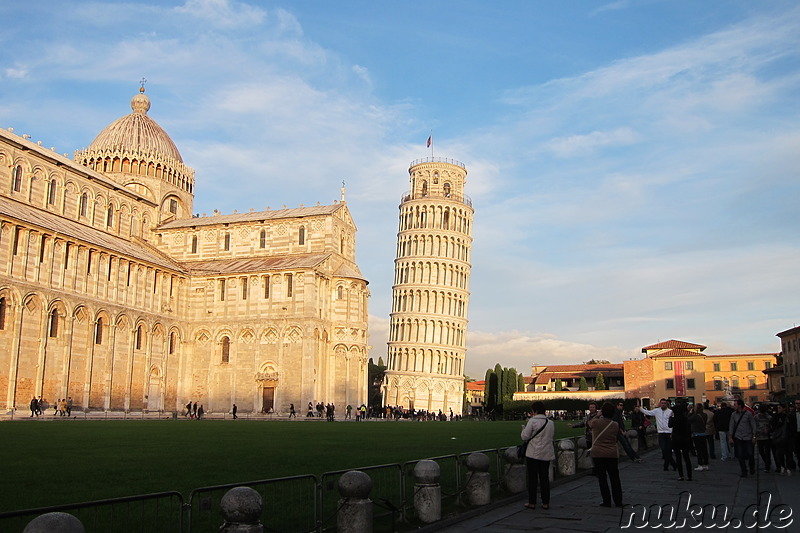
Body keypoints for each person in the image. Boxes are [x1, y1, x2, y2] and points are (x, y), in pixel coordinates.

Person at [521, 401, 555, 510]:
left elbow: (525, 437)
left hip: (533, 453)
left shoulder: (532, 421)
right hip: (546, 452)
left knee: (533, 478)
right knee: (544, 478)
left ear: (535, 411)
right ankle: (546, 502)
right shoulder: (550, 423)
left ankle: (532, 502)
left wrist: (523, 430)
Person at [589, 402, 623, 507]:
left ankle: (606, 501)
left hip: (598, 453)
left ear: (602, 411)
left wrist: (597, 415)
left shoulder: (596, 423)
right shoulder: (615, 425)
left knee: (602, 478)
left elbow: (589, 423)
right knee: (615, 478)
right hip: (612, 453)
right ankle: (618, 501)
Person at [637, 399, 677, 471]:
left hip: (668, 433)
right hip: (661, 433)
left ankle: (667, 466)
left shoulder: (670, 412)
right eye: (662, 403)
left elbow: (673, 422)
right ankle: (672, 464)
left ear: (666, 404)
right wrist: (640, 408)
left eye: (664, 403)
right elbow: (648, 412)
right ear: (660, 404)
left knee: (668, 450)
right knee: (664, 449)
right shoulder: (657, 411)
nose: (663, 404)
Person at [729, 399, 757, 477]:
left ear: (739, 406)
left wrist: (754, 436)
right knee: (740, 455)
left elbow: (753, 425)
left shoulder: (748, 414)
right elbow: (731, 426)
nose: (733, 406)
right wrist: (730, 437)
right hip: (738, 437)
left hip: (748, 436)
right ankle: (744, 470)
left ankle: (752, 467)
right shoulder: (733, 415)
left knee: (750, 453)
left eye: (735, 404)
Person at [570, 401, 599, 475]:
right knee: (592, 454)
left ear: (595, 408)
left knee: (595, 454)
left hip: (595, 437)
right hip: (589, 437)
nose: (591, 408)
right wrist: (573, 426)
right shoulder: (588, 416)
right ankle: (594, 469)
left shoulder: (598, 416)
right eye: (590, 407)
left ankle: (597, 469)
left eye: (593, 407)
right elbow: (582, 423)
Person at [670, 402, 694, 481]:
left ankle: (681, 475)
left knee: (678, 458)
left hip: (676, 439)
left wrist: (671, 417)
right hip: (684, 439)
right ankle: (689, 476)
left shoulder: (674, 419)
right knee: (686, 458)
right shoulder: (685, 418)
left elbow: (669, 425)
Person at [770, 403, 792, 476]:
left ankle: (788, 467)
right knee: (780, 453)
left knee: (788, 453)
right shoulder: (775, 416)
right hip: (779, 437)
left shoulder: (788, 416)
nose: (778, 409)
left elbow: (792, 427)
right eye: (778, 408)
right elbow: (773, 425)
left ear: (784, 408)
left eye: (780, 408)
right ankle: (782, 466)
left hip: (787, 437)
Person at [688, 404, 709, 471]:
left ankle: (700, 464)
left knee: (699, 450)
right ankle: (706, 464)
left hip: (697, 434)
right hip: (703, 433)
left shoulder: (695, 416)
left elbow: (688, 419)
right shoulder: (705, 415)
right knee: (704, 449)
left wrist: (690, 413)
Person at [754, 404, 773, 472]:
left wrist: (768, 430)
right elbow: (754, 426)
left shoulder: (769, 417)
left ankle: (767, 466)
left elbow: (772, 426)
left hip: (767, 437)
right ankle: (767, 462)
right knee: (761, 451)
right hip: (759, 437)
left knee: (767, 452)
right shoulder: (756, 417)